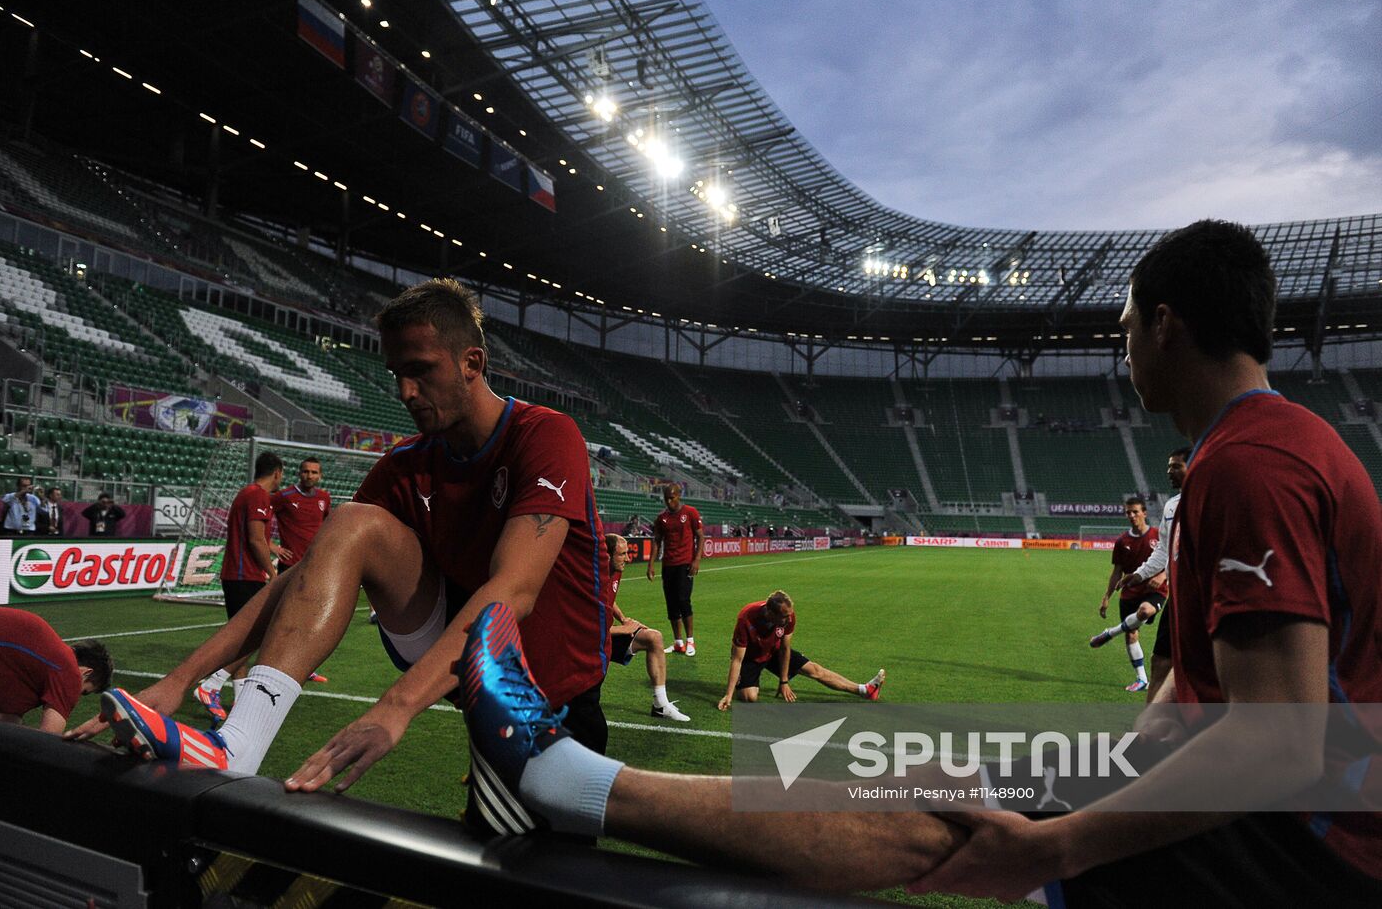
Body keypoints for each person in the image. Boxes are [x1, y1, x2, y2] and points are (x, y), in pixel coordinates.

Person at [454, 220, 1382, 903]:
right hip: (1299, 813)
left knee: (953, 824)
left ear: (1168, 324)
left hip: (1320, 848)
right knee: (947, 778)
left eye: (1128, 324)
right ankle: (573, 781)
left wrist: (1057, 845)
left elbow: (1277, 743)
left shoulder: (1255, 463)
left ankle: (561, 778)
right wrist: (1106, 762)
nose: (1121, 345)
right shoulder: (1260, 448)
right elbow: (1210, 697)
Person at [73, 279, 613, 838]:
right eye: (395, 375)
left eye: (421, 370)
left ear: (472, 361)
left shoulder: (545, 433)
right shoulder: (407, 463)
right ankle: (237, 745)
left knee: (532, 870)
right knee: (351, 523)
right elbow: (306, 576)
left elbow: (514, 591)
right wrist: (179, 681)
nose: (405, 391)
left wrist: (396, 707)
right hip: (466, 658)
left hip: (552, 701)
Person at [191, 452, 291, 725]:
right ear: (278, 472)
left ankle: (238, 700)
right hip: (245, 575)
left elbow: (257, 538)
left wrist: (274, 548)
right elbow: (255, 540)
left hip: (237, 574)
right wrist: (273, 574)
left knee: (244, 639)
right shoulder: (258, 495)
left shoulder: (247, 493)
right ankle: (211, 685)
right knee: (254, 637)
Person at [1091, 447, 1189, 700]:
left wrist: (1164, 576)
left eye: (1175, 466)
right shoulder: (1171, 507)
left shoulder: (1215, 500)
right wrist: (1139, 574)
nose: (1169, 471)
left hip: (1206, 598)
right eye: (1168, 466)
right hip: (1178, 599)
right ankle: (1151, 728)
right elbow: (1166, 551)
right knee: (1161, 661)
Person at [717, 590, 884, 709]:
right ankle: (742, 688)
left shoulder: (788, 616)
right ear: (770, 613)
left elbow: (784, 649)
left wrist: (784, 681)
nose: (789, 618)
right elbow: (737, 659)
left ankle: (865, 690)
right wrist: (728, 696)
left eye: (790, 614)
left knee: (815, 670)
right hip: (751, 657)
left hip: (774, 652)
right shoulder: (746, 618)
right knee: (749, 697)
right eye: (785, 616)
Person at [0, 606, 112, 734]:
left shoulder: (37, 667)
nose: (76, 696)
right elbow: (48, 738)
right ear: (86, 672)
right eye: (84, 691)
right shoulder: (69, 671)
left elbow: (7, 724)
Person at [602, 533, 688, 722]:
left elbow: (608, 599)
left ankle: (660, 705)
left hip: (605, 635)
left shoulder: (616, 570)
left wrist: (624, 619)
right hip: (589, 642)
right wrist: (623, 630)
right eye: (622, 554)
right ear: (606, 555)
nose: (628, 558)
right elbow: (586, 628)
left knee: (654, 638)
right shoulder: (592, 578)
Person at [1092, 496, 1168, 691]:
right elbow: (1117, 572)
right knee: (1132, 634)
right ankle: (1142, 679)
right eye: (1128, 512)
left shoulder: (1158, 535)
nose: (1132, 515)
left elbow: (1170, 557)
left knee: (1144, 611)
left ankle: (1111, 632)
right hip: (1129, 593)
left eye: (1135, 511)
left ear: (1145, 513)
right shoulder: (1122, 541)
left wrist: (1163, 576)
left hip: (1155, 590)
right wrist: (1107, 597)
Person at [268, 456, 331, 684]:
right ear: (299, 473)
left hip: (314, 567)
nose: (310, 476)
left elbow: (324, 527)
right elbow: (259, 518)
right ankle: (275, 664)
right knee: (284, 619)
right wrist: (272, 545)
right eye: (306, 472)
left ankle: (303, 666)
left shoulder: (324, 498)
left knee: (311, 619)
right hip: (290, 567)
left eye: (314, 472)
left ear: (320, 475)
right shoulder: (284, 496)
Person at [645, 483, 701, 655]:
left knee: (684, 600)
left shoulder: (690, 512)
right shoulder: (661, 518)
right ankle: (678, 642)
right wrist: (651, 564)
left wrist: (696, 559)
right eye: (666, 498)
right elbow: (657, 541)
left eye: (672, 497)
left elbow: (700, 536)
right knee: (671, 604)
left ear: (679, 495)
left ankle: (690, 641)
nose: (669, 501)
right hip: (668, 565)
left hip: (685, 564)